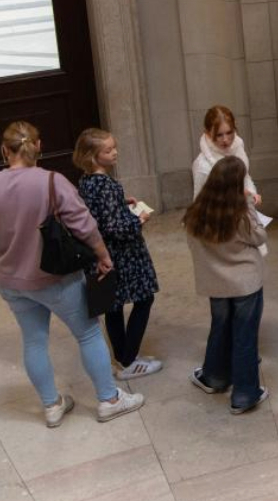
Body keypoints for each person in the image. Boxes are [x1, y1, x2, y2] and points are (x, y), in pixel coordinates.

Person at [0, 121, 145, 426]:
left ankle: (51, 406)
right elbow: (84, 225)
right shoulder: (52, 181)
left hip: (10, 281)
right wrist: (103, 256)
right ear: (39, 147)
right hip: (56, 278)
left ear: (4, 151)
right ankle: (109, 399)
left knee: (34, 340)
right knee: (88, 333)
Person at [74, 128, 162, 380]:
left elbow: (98, 212)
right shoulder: (106, 185)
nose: (115, 152)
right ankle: (129, 359)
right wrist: (140, 219)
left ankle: (122, 357)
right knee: (144, 299)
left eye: (114, 147)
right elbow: (116, 228)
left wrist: (120, 203)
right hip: (122, 255)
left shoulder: (87, 181)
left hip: (103, 254)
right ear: (93, 156)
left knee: (113, 306)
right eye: (108, 150)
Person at [184, 156, 269, 414]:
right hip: (245, 283)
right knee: (244, 336)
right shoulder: (241, 213)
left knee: (220, 328)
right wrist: (249, 203)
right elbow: (259, 235)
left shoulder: (196, 212)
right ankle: (245, 395)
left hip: (215, 283)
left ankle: (215, 378)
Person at [192, 105, 261, 205]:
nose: (225, 139)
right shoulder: (202, 165)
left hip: (242, 213)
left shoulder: (238, 148)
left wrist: (253, 196)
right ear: (207, 133)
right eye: (219, 135)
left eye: (229, 132)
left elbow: (245, 177)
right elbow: (199, 204)